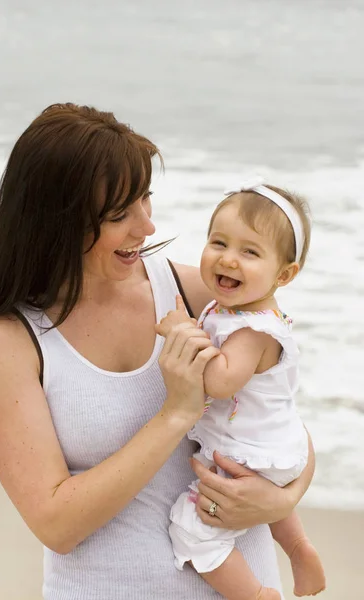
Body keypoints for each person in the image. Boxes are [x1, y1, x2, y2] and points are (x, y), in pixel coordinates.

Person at [0, 104, 315, 600]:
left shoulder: (193, 294)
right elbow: (56, 523)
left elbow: (282, 425)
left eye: (145, 200)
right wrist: (175, 414)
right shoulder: (4, 340)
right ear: (55, 220)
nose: (146, 227)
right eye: (119, 214)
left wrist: (282, 497)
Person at [156, 179, 326, 599]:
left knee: (191, 529)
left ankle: (255, 594)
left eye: (249, 252)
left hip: (251, 452)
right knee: (267, 502)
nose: (228, 259)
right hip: (272, 446)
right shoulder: (234, 308)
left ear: (284, 275)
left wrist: (184, 335)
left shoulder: (253, 329)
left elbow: (219, 380)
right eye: (218, 242)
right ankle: (299, 549)